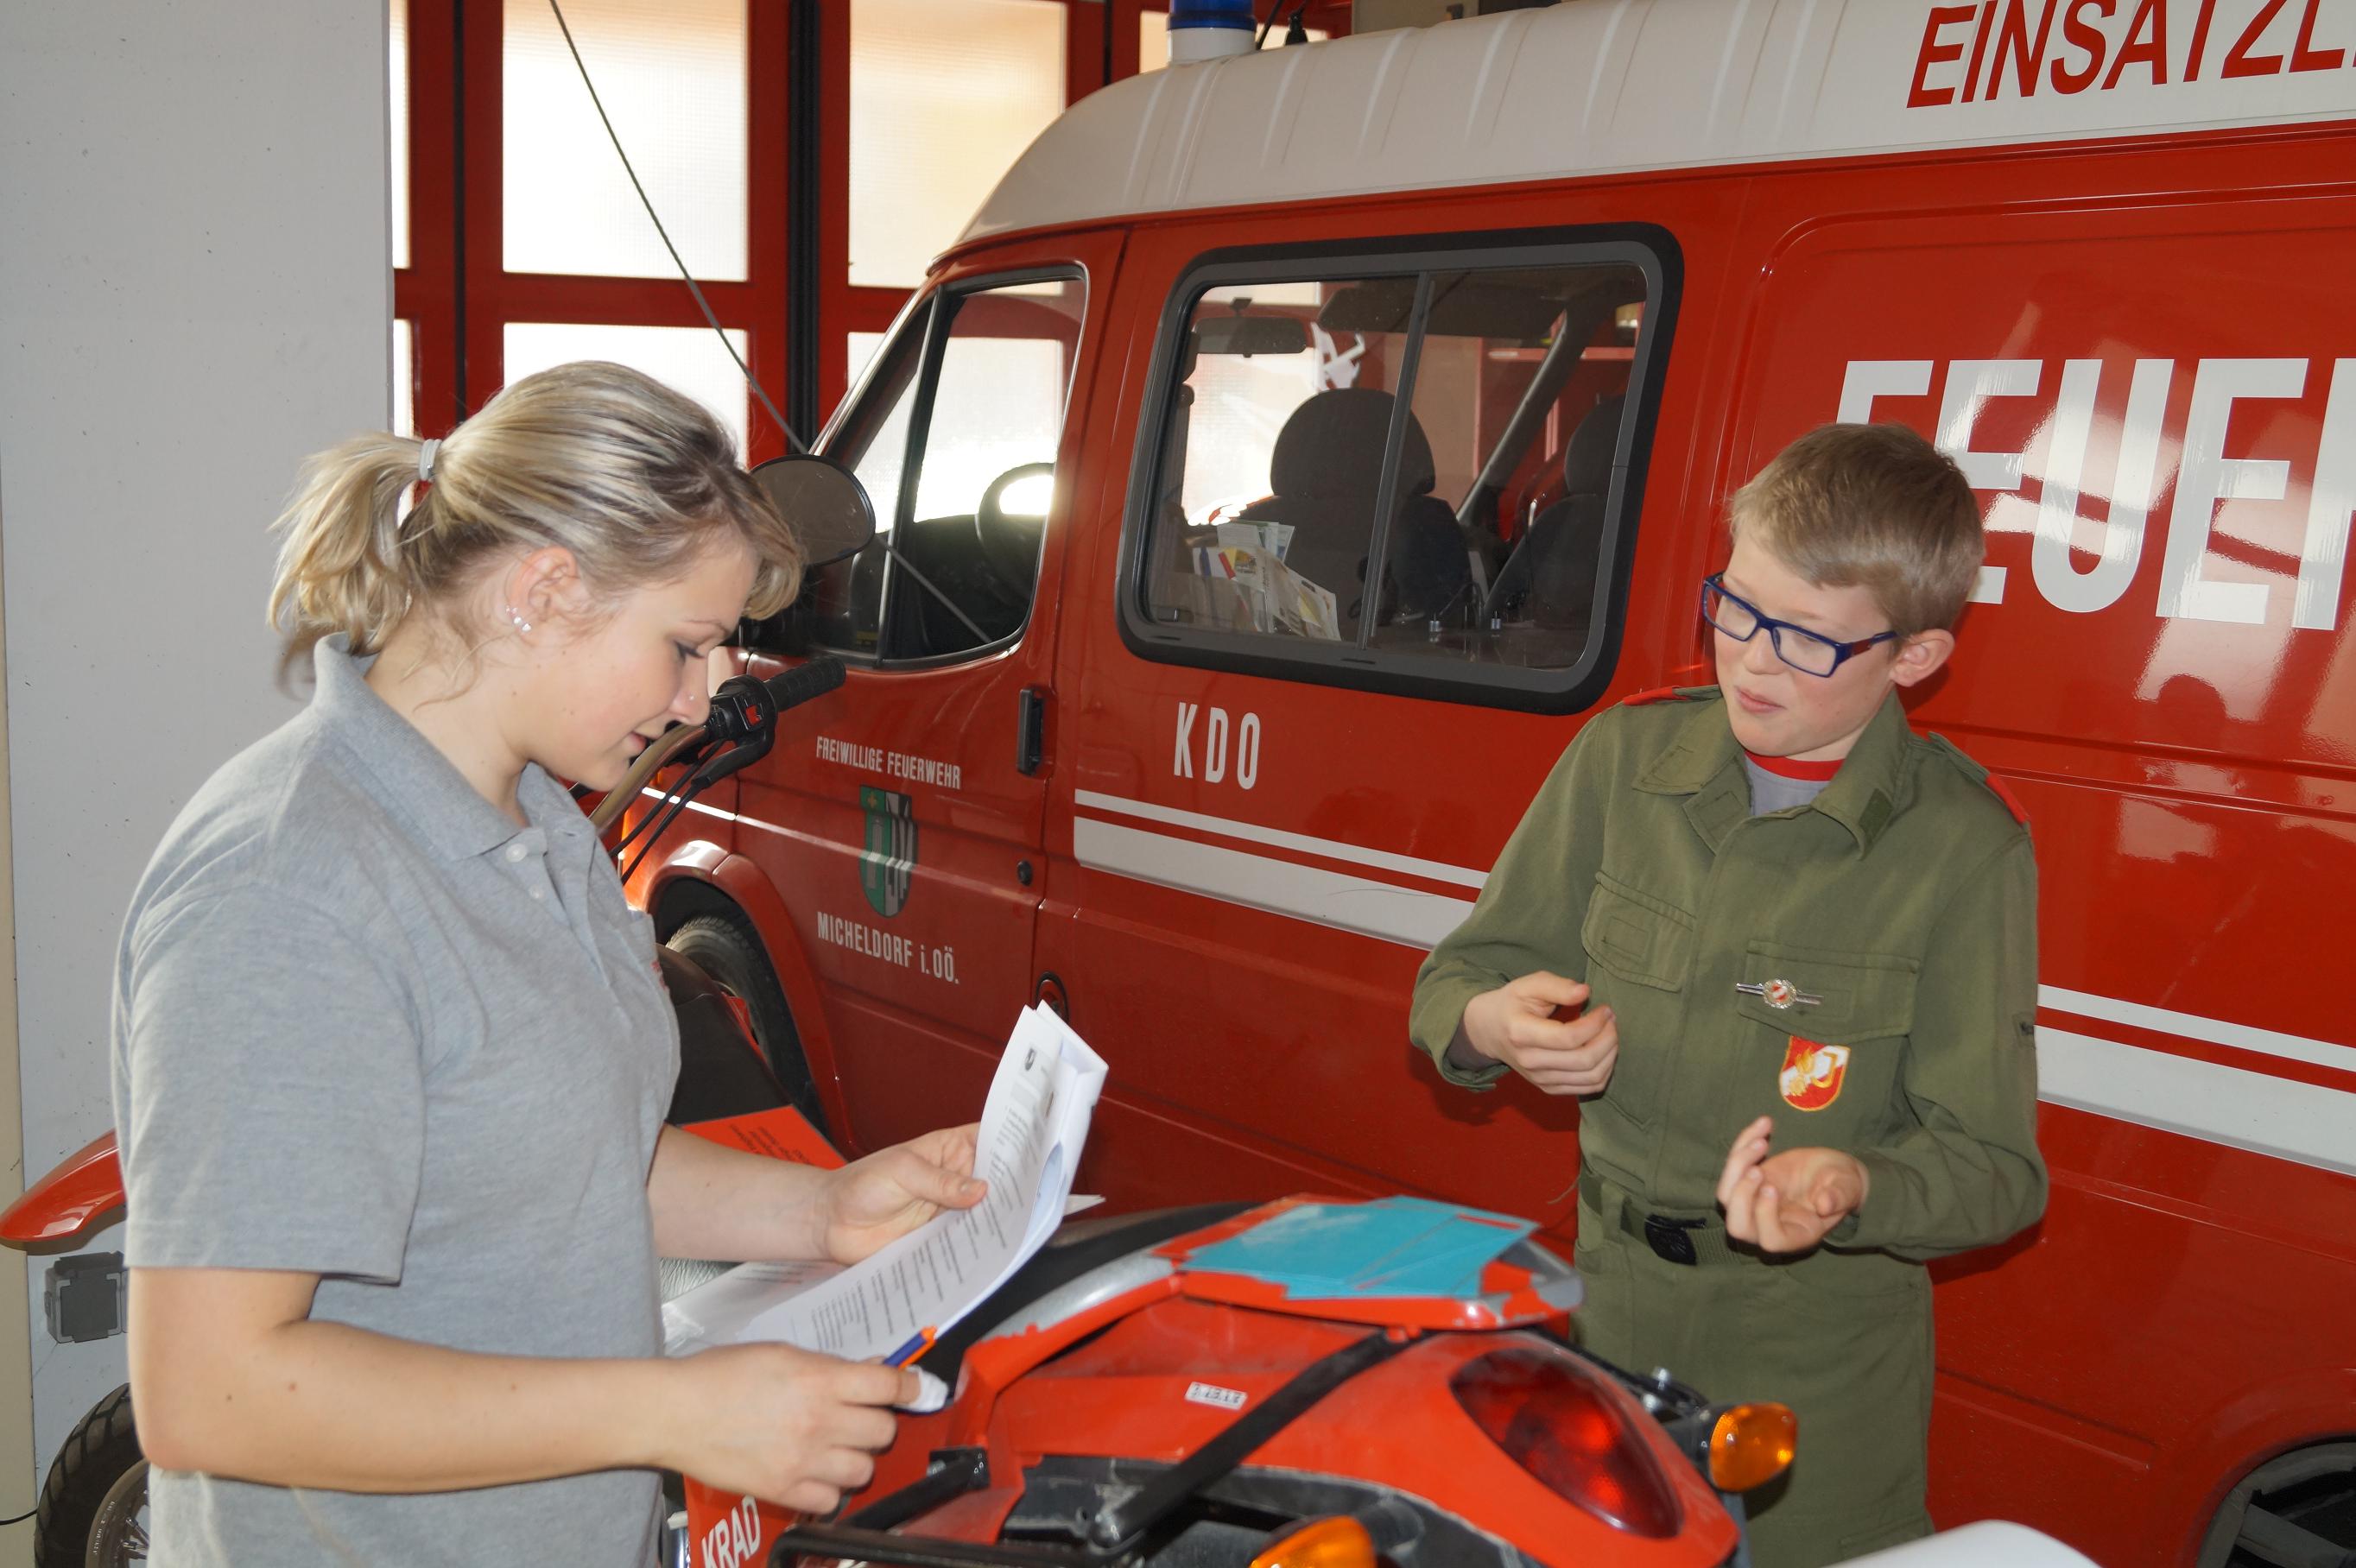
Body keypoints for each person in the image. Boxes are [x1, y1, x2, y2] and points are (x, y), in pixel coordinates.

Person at [112, 361, 985, 1566]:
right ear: (544, 590)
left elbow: (549, 1158)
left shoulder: (535, 822)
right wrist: (678, 1411)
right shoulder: (290, 885)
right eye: (685, 644)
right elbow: (211, 1390)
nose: (706, 694)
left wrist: (823, 1212)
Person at [1409, 422, 2047, 1567]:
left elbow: (1996, 1174)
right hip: (1603, 1323)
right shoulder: (1622, 762)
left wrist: (1854, 1181)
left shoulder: (1963, 849)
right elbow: (1460, 972)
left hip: (1814, 1376)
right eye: (1736, 608)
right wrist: (1488, 1024)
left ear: (1916, 655)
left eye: (1807, 640)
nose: (1751, 659)